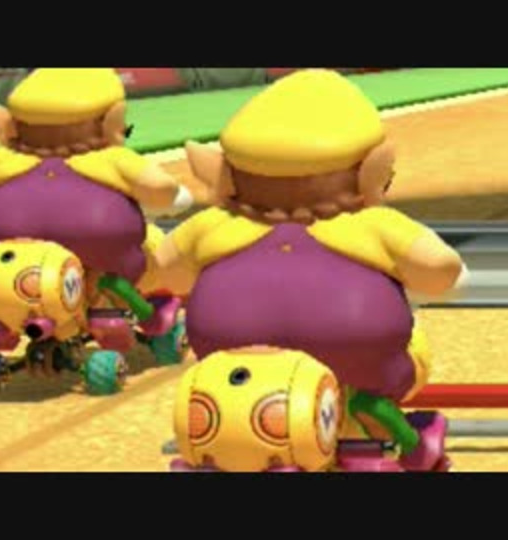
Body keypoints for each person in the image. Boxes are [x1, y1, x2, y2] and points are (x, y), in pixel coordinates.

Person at [155, 69, 465, 471]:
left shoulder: (212, 226)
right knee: (395, 360)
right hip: (359, 370)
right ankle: (399, 439)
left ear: (225, 176)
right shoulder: (375, 225)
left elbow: (166, 271)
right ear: (372, 172)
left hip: (238, 379)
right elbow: (442, 271)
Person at [0, 68, 194, 335]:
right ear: (111, 120)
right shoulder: (113, 159)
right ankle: (128, 308)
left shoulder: (1, 160)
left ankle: (9, 317)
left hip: (17, 262)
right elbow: (162, 190)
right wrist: (177, 197)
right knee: (152, 251)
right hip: (103, 254)